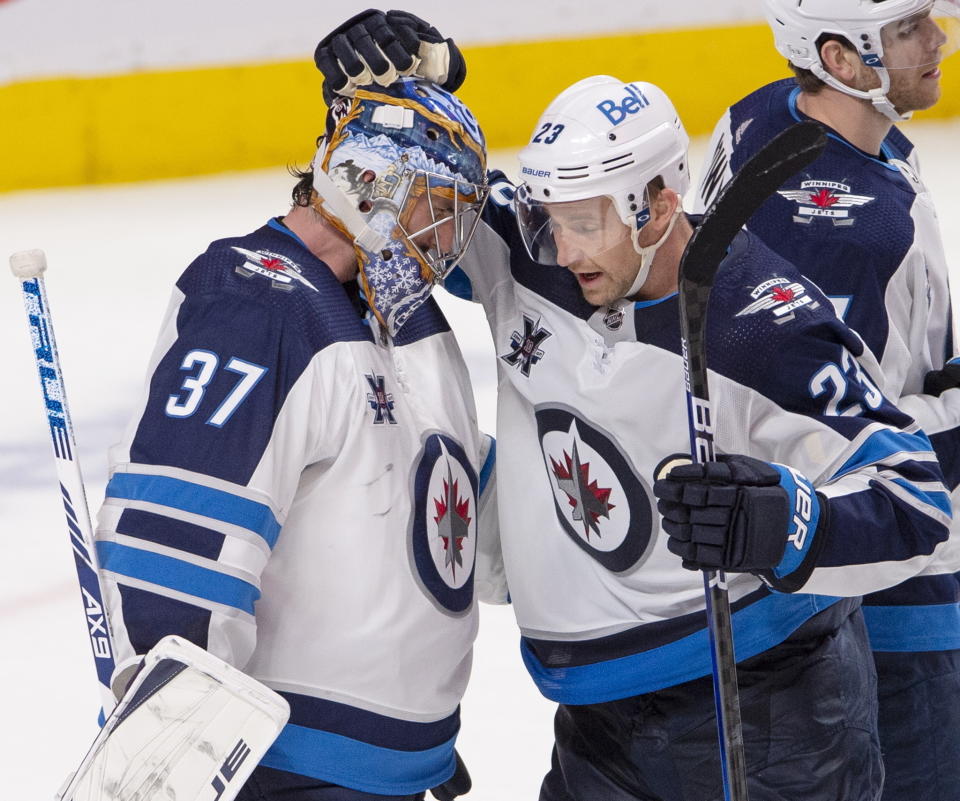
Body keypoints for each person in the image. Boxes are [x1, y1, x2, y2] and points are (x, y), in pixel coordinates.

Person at [315, 20, 953, 796]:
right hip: (596, 724)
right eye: (550, 218)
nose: (565, 248)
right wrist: (394, 85)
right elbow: (411, 199)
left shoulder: (762, 322)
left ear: (656, 207)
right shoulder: (537, 255)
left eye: (587, 223)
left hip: (769, 717)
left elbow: (914, 494)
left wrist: (787, 521)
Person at [92, 77, 498, 801]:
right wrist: (171, 743)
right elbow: (175, 546)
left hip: (380, 771)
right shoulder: (259, 301)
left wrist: (409, 726)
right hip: (285, 771)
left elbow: (442, 511)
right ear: (366, 179)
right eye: (434, 208)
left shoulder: (406, 317)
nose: (445, 240)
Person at [693, 2, 960, 797]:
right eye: (909, 29)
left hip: (810, 604)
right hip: (885, 600)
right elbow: (837, 445)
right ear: (842, 61)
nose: (939, 39)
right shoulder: (857, 229)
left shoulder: (754, 117)